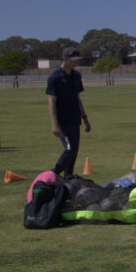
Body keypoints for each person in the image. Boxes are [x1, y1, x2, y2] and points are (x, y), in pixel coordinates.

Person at [46, 46, 91, 175]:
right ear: (64, 59)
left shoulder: (76, 76)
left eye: (77, 60)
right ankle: (53, 174)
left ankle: (68, 177)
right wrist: (54, 125)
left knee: (75, 150)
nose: (75, 63)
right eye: (72, 60)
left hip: (75, 118)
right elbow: (51, 101)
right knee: (70, 149)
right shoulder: (55, 78)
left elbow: (78, 98)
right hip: (62, 121)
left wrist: (85, 118)